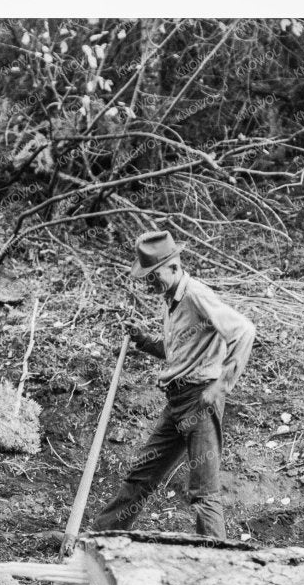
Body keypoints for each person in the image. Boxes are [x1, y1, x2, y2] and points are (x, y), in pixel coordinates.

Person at [89, 229, 257, 541]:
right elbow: (177, 351)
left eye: (155, 276)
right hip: (177, 400)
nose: (150, 284)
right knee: (141, 475)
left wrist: (221, 385)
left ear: (175, 267)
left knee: (204, 490)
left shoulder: (196, 295)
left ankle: (217, 565)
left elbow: (244, 330)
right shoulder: (171, 300)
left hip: (200, 400)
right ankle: (99, 541)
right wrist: (142, 339)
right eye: (147, 278)